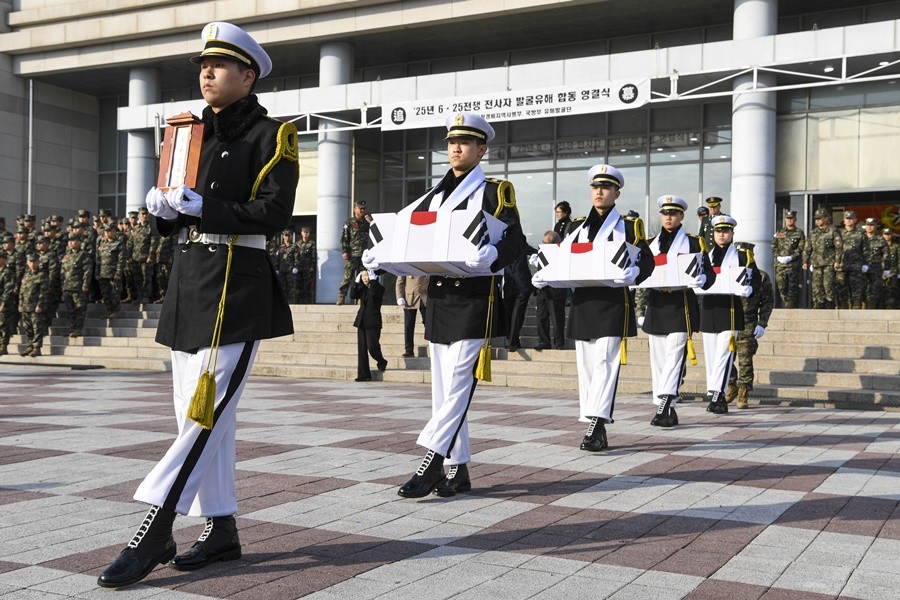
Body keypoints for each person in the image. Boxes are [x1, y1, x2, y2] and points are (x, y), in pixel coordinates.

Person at [97, 21, 299, 589]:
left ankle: (156, 527)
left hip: (236, 287)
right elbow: (176, 211)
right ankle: (223, 526)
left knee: (202, 416)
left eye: (220, 65)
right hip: (189, 286)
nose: (207, 73)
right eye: (203, 66)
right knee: (206, 417)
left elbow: (274, 214)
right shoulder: (187, 133)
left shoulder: (271, 135)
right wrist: (164, 212)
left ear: (248, 74)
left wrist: (203, 209)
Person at [365, 111, 524, 499]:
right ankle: (459, 468)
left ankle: (433, 460)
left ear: (481, 149)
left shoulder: (494, 191)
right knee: (442, 386)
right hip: (439, 297)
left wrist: (493, 255)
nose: (456, 148)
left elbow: (516, 241)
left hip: (475, 298)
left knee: (457, 384)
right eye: (452, 142)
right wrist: (377, 255)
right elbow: (406, 236)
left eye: (465, 142)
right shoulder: (430, 196)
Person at [537, 164, 653, 451]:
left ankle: (597, 423)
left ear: (617, 193)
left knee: (605, 362)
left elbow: (647, 262)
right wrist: (545, 273)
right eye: (595, 187)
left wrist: (634, 275)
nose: (599, 191)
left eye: (606, 187)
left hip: (613, 301)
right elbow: (565, 260)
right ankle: (592, 420)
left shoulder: (628, 226)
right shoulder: (576, 227)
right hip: (584, 302)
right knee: (586, 366)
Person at [636, 195, 714, 427]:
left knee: (674, 357)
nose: (668, 217)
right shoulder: (649, 243)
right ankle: (668, 408)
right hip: (657, 304)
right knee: (659, 360)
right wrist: (640, 308)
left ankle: (664, 404)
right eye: (665, 213)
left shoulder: (694, 242)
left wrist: (702, 279)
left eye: (673, 213)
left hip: (681, 305)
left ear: (681, 216)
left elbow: (710, 275)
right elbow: (639, 274)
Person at [700, 214, 759, 415]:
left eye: (726, 231)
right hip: (709, 309)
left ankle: (719, 395)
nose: (722, 234)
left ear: (732, 233)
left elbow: (756, 280)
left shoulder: (743, 256)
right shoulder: (705, 255)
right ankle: (712, 392)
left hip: (730, 310)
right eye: (718, 231)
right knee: (710, 355)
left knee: (724, 355)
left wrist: (749, 289)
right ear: (713, 234)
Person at [725, 243, 774, 409]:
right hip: (729, 321)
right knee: (725, 358)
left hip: (748, 322)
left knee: (745, 360)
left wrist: (762, 323)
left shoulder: (760, 276)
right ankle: (731, 386)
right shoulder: (728, 273)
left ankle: (743, 391)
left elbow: (767, 302)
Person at [349, 268, 387, 381]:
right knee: (362, 350)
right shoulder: (362, 288)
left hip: (373, 321)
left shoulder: (379, 288)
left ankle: (381, 361)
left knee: (372, 347)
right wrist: (355, 283)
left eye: (367, 275)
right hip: (361, 321)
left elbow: (373, 294)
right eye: (363, 276)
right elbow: (352, 295)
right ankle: (363, 375)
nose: (365, 278)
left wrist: (373, 281)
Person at [532, 230, 566, 350]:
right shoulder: (541, 253)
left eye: (548, 243)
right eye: (543, 243)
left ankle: (559, 343)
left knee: (557, 318)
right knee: (541, 317)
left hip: (556, 290)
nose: (544, 245)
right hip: (542, 289)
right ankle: (544, 342)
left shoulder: (562, 253)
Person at [802, 208, 842, 309]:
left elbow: (839, 247)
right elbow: (807, 248)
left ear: (826, 218)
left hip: (829, 262)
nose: (817, 221)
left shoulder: (833, 230)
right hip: (816, 263)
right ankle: (819, 304)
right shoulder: (813, 232)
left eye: (820, 218)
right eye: (816, 219)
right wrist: (805, 261)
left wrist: (837, 261)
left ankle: (830, 304)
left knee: (828, 285)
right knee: (816, 285)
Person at [60, 234, 93, 338]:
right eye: (69, 241)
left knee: (80, 309)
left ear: (79, 242)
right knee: (70, 310)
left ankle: (78, 329)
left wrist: (85, 284)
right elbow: (62, 272)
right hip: (67, 287)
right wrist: (62, 285)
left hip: (78, 287)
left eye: (73, 241)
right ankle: (71, 329)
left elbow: (87, 271)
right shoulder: (66, 256)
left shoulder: (83, 255)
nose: (70, 243)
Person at [337, 200, 370, 305]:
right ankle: (342, 296)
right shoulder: (349, 222)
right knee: (348, 275)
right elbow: (344, 237)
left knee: (364, 277)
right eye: (361, 209)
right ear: (355, 209)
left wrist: (372, 223)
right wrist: (344, 251)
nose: (363, 210)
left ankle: (361, 297)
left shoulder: (367, 222)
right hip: (353, 254)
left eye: (364, 209)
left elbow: (377, 234)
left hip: (365, 254)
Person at [772, 209, 805, 308]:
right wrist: (778, 256)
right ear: (785, 219)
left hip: (792, 265)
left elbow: (801, 247)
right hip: (780, 265)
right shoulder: (779, 232)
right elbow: (774, 245)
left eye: (791, 218)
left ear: (795, 220)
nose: (789, 220)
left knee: (792, 286)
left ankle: (790, 304)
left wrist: (791, 257)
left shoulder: (799, 232)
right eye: (788, 218)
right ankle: (784, 300)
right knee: (781, 285)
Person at [502, 250, 534, 352]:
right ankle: (513, 340)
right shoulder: (502, 243)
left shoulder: (519, 242)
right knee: (509, 314)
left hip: (522, 286)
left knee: (516, 313)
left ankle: (513, 342)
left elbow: (536, 251)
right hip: (509, 285)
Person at [17, 253, 49, 356]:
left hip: (35, 306)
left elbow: (43, 292)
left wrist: (40, 305)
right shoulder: (26, 275)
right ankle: (30, 346)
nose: (32, 264)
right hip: (26, 306)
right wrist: (20, 304)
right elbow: (22, 291)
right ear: (27, 263)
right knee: (28, 328)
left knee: (37, 328)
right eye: (30, 262)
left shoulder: (42, 275)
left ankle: (37, 348)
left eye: (34, 261)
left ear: (38, 262)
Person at [837, 210, 868, 309]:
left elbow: (866, 250)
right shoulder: (838, 234)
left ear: (855, 220)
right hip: (841, 265)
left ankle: (856, 306)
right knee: (841, 287)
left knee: (856, 288)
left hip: (856, 266)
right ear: (844, 220)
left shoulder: (861, 234)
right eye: (847, 219)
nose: (849, 221)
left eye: (851, 219)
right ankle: (843, 306)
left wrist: (865, 264)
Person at [96, 223, 126, 318]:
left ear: (114, 232)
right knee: (105, 294)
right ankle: (109, 311)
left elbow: (121, 260)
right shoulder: (102, 244)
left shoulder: (119, 244)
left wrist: (118, 273)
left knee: (115, 293)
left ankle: (116, 311)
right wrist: (97, 273)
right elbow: (98, 260)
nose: (107, 233)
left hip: (113, 274)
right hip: (103, 274)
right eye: (106, 231)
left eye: (109, 231)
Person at [396, 274, 428, 357]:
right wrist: (399, 296)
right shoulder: (406, 265)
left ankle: (433, 346)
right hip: (410, 298)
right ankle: (409, 350)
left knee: (428, 323)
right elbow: (400, 281)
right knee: (409, 325)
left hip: (425, 296)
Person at [862, 217, 889, 309]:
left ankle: (871, 309)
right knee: (861, 289)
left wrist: (886, 269)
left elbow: (886, 255)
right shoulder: (860, 238)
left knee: (874, 289)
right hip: (860, 268)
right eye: (868, 225)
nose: (869, 227)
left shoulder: (880, 239)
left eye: (872, 225)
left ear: (876, 226)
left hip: (875, 268)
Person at [0, 250, 17, 356]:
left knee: (3, 325)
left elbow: (8, 289)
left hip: (4, 302)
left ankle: (3, 346)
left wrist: (3, 304)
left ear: (4, 260)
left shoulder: (8, 272)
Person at [296, 226, 317, 303]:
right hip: (299, 268)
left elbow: (313, 256)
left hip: (307, 268)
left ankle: (308, 301)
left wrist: (312, 266)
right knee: (298, 284)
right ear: (301, 233)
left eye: (307, 232)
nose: (305, 234)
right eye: (304, 232)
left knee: (307, 284)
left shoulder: (312, 243)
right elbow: (296, 256)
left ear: (309, 234)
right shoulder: (298, 243)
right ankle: (299, 301)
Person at [883, 227, 899, 309]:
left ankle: (889, 306)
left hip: (892, 271)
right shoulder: (879, 245)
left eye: (889, 234)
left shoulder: (896, 247)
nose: (887, 236)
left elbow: (898, 260)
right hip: (880, 271)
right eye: (885, 234)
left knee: (891, 289)